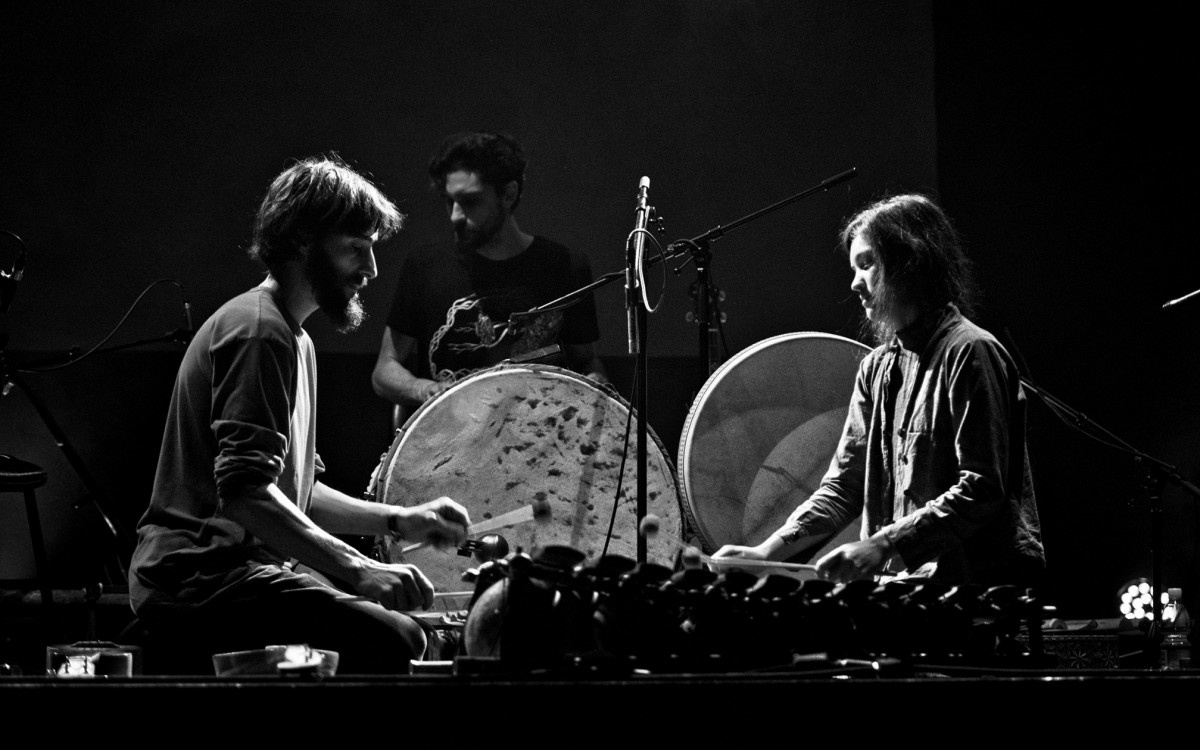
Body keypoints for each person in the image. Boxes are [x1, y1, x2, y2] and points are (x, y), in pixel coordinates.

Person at [127, 155, 471, 675]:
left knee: (412, 629)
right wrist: (360, 568)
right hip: (200, 578)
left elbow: (296, 493)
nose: (371, 269)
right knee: (396, 639)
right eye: (356, 247)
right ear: (304, 241)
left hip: (243, 569)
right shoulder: (258, 331)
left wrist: (400, 519)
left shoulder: (295, 338)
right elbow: (244, 492)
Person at [713, 193, 1045, 589]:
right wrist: (765, 554)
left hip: (977, 591)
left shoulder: (970, 352)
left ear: (909, 262)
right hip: (904, 589)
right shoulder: (876, 369)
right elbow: (843, 487)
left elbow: (982, 487)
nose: (855, 283)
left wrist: (883, 545)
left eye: (866, 264)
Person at [371, 131, 607, 425]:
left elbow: (585, 361)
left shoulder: (565, 266)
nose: (455, 215)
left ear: (508, 195)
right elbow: (384, 370)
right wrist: (429, 391)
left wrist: (596, 386)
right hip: (452, 439)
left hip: (535, 437)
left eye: (470, 202)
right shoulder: (424, 266)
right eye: (449, 201)